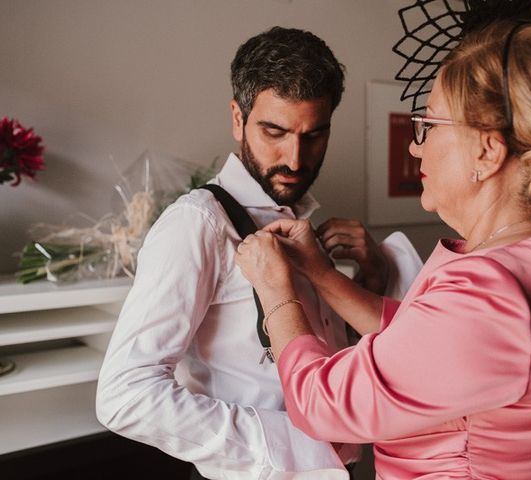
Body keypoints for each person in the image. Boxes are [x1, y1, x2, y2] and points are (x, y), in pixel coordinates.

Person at [235, 18, 531, 479]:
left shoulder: (492, 296)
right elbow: (420, 341)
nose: (414, 146)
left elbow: (322, 404)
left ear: (487, 152)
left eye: (427, 124)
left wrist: (277, 292)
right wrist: (323, 276)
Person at [96, 26, 420, 479]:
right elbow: (124, 394)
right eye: (274, 131)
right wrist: (298, 447)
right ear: (237, 117)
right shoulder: (197, 224)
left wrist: (371, 277)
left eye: (315, 135)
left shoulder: (307, 226)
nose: (294, 158)